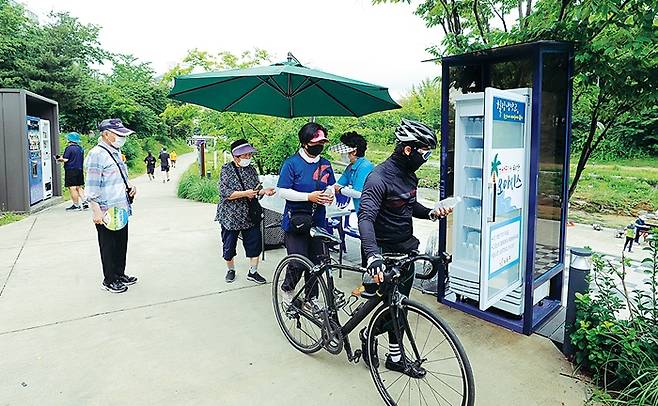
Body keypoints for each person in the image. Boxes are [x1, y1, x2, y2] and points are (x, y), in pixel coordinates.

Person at [357, 118, 451, 377]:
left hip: (406, 250)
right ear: (408, 149)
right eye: (425, 152)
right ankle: (371, 336)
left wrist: (431, 212)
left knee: (400, 307)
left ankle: (393, 356)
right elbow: (365, 218)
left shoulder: (409, 176)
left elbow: (408, 206)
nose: (427, 157)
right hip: (384, 254)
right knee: (393, 308)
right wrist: (373, 256)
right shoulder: (378, 178)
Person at [277, 122, 335, 304]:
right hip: (296, 220)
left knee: (317, 262)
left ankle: (312, 297)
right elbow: (282, 191)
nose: (319, 145)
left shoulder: (325, 164)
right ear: (304, 143)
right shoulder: (291, 163)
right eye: (316, 142)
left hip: (318, 221)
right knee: (297, 262)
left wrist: (330, 194)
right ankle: (288, 288)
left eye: (322, 142)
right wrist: (308, 197)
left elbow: (331, 185)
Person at [85, 119, 138, 293]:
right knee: (108, 245)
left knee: (121, 243)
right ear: (106, 134)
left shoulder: (115, 152)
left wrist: (130, 188)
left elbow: (118, 177)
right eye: (119, 134)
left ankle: (119, 274)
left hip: (120, 208)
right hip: (106, 210)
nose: (122, 137)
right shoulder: (96, 154)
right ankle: (109, 279)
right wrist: (96, 211)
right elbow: (92, 186)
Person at [215, 139, 275, 284]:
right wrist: (245, 193)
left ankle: (253, 272)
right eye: (245, 155)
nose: (248, 158)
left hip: (249, 214)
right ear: (236, 156)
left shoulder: (252, 170)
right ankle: (231, 270)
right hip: (230, 216)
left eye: (250, 155)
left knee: (255, 245)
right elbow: (225, 193)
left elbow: (255, 190)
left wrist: (263, 191)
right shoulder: (226, 169)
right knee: (228, 246)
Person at [331, 131, 375, 214]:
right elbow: (338, 185)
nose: (342, 155)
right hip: (360, 211)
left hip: (370, 212)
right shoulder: (350, 167)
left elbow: (358, 193)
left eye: (345, 153)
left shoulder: (365, 166)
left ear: (354, 152)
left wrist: (340, 190)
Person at [57, 132, 88, 211]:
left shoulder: (69, 148)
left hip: (71, 170)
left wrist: (59, 159)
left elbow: (66, 159)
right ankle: (85, 202)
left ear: (69, 140)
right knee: (78, 187)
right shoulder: (80, 148)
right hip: (79, 169)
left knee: (72, 187)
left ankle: (76, 205)